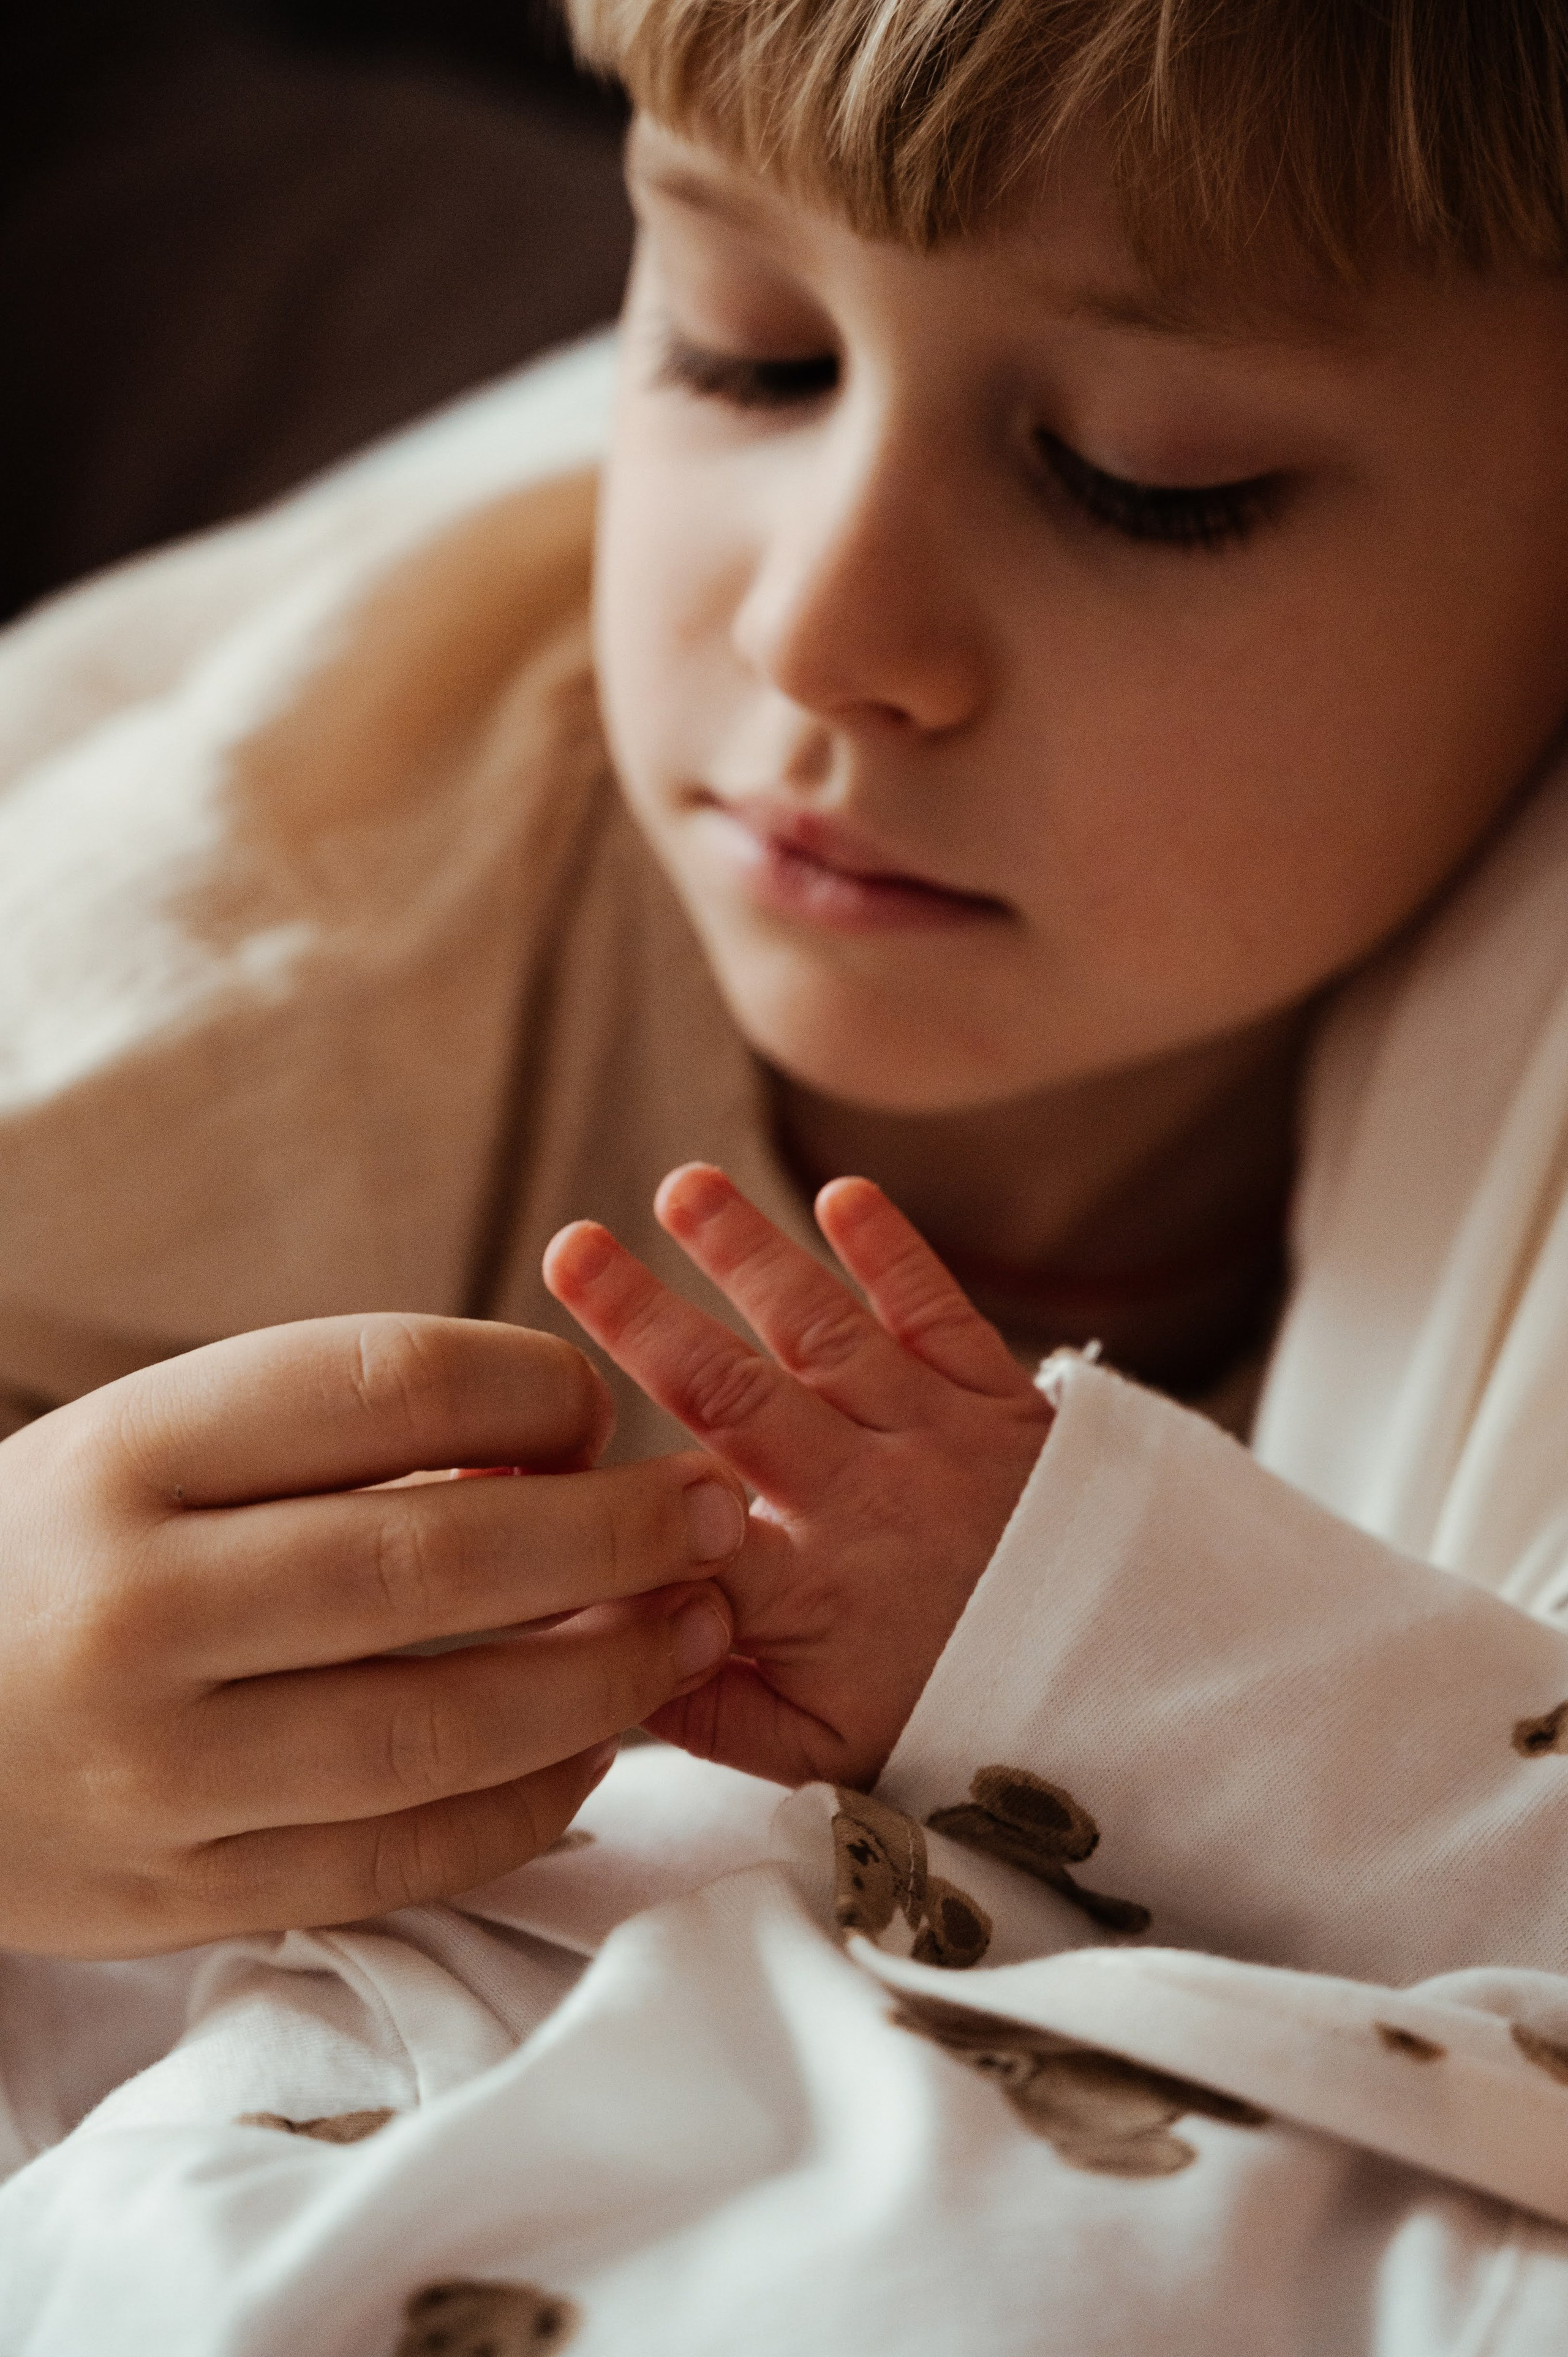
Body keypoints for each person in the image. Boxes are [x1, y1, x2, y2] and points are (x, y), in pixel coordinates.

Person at [6, 0, 1568, 2345]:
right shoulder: (263, 964)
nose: (820, 632)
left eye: (1150, 477)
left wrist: (1106, 1632)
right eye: (742, 354)